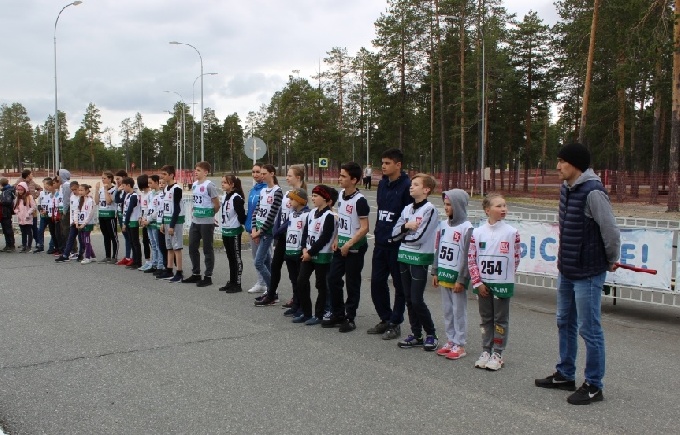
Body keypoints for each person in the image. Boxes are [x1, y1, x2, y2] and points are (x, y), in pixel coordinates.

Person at [535, 143, 620, 405]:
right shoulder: (566, 188)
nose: (558, 166)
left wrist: (610, 259)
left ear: (576, 164)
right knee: (564, 321)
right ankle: (565, 373)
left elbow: (611, 232)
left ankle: (594, 385)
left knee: (589, 329)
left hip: (588, 273)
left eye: (562, 161)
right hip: (567, 269)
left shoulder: (593, 192)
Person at [468, 193, 520, 371]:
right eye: (498, 206)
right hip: (483, 284)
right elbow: (472, 259)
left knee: (500, 320)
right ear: (487, 210)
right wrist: (478, 282)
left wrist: (505, 279)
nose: (503, 209)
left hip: (502, 285)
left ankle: (498, 352)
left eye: (505, 205)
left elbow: (516, 258)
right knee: (486, 319)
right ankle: (486, 350)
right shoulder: (477, 232)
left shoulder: (512, 233)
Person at [389, 174, 439, 351]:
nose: (411, 187)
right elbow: (394, 233)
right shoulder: (407, 209)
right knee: (409, 299)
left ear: (426, 189)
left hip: (418, 258)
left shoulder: (430, 209)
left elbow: (420, 237)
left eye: (416, 184)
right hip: (403, 256)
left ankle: (431, 334)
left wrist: (403, 236)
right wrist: (406, 227)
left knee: (417, 299)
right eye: (411, 184)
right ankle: (416, 335)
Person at [368, 148, 413, 339]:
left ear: (398, 165)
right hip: (380, 242)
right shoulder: (382, 184)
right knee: (377, 283)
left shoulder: (407, 186)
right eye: (382, 163)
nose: (383, 166)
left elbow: (409, 216)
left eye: (387, 163)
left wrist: (400, 236)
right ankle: (385, 318)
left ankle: (396, 322)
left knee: (399, 285)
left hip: (397, 244)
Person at [322, 162, 370, 332]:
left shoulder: (360, 200)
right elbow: (341, 221)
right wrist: (336, 238)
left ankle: (350, 317)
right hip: (341, 246)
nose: (339, 178)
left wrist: (349, 244)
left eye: (343, 176)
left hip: (355, 247)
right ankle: (338, 313)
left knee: (352, 282)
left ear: (354, 179)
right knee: (333, 279)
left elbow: (365, 227)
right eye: (340, 175)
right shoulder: (341, 195)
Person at [256, 164, 307, 306]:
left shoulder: (300, 195)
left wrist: (279, 230)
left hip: (291, 237)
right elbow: (281, 213)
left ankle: (296, 298)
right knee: (275, 265)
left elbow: (293, 217)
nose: (286, 178)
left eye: (290, 175)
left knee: (294, 271)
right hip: (282, 236)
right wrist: (276, 229)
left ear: (298, 177)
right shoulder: (287, 194)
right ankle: (271, 294)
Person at [432, 189, 473, 360]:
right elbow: (438, 249)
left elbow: (467, 256)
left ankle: (460, 343)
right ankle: (450, 340)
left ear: (458, 205)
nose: (446, 208)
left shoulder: (467, 228)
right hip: (444, 274)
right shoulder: (442, 225)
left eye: (449, 205)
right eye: (445, 204)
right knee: (447, 310)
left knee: (458, 311)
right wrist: (435, 271)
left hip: (457, 278)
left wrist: (462, 279)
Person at [293, 185, 336, 325]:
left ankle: (319, 314)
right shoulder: (312, 213)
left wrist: (311, 252)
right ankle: (306, 312)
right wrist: (305, 249)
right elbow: (306, 233)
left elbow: (325, 238)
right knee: (301, 281)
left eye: (316, 196)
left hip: (321, 255)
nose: (313, 198)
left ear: (324, 198)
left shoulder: (329, 216)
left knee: (321, 285)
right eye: (312, 195)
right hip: (308, 254)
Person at [183, 161, 220, 287]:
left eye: (198, 170)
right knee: (192, 247)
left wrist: (210, 215)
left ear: (205, 172)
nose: (196, 172)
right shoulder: (194, 185)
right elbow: (196, 201)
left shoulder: (209, 185)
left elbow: (216, 204)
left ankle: (208, 276)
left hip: (206, 221)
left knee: (207, 248)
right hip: (196, 221)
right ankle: (196, 273)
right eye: (195, 169)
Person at [249, 164, 282, 295]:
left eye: (264, 174)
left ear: (272, 174)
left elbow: (272, 214)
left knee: (258, 262)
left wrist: (259, 231)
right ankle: (271, 289)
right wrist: (253, 229)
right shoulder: (263, 191)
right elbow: (256, 211)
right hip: (258, 229)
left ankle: (272, 289)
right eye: (260, 174)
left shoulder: (277, 191)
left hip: (268, 231)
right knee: (267, 261)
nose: (261, 176)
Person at [279, 188, 310, 317]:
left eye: (292, 199)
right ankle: (296, 304)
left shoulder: (307, 215)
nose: (290, 201)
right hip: (290, 250)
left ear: (300, 201)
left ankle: (303, 307)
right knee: (293, 280)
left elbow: (306, 234)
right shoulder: (292, 214)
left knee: (301, 281)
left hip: (299, 252)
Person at [157, 165, 185, 283]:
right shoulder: (166, 189)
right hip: (167, 220)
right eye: (161, 174)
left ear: (171, 175)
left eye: (164, 174)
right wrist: (163, 222)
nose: (162, 176)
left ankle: (179, 272)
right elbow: (165, 208)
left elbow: (177, 208)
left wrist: (172, 225)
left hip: (175, 221)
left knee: (177, 247)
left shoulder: (176, 189)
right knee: (169, 247)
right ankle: (169, 270)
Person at [218, 174, 246, 293]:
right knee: (230, 257)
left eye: (225, 182)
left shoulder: (236, 198)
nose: (222, 184)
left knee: (236, 257)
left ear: (232, 184)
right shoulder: (225, 196)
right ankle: (232, 281)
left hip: (234, 231)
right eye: (222, 182)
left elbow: (241, 216)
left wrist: (240, 223)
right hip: (226, 230)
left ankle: (238, 283)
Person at [245, 164, 269, 294]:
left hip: (261, 230)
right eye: (253, 172)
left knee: (264, 258)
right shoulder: (253, 189)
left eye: (258, 172)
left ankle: (267, 283)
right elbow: (252, 211)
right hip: (251, 228)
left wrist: (259, 230)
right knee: (256, 258)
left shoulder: (266, 190)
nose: (255, 174)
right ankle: (261, 282)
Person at [55, 180, 81, 263]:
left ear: (78, 187)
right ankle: (65, 255)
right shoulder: (72, 197)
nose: (74, 191)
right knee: (70, 238)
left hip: (81, 222)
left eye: (75, 189)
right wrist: (72, 220)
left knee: (83, 239)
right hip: (73, 221)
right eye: (72, 190)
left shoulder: (83, 197)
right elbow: (73, 210)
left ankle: (87, 254)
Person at [95, 171, 119, 263]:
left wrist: (105, 190)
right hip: (102, 214)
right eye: (102, 178)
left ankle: (114, 256)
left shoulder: (114, 189)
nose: (103, 180)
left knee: (113, 236)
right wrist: (97, 190)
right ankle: (107, 255)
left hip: (110, 215)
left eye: (104, 178)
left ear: (110, 179)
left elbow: (109, 201)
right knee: (106, 236)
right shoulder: (101, 189)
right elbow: (96, 202)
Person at [143, 175, 163, 274]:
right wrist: (144, 218)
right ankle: (154, 264)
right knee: (153, 244)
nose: (149, 185)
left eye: (151, 183)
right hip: (148, 222)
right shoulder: (150, 194)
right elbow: (147, 207)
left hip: (155, 222)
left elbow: (158, 210)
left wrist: (149, 219)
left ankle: (160, 265)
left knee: (158, 244)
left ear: (156, 182)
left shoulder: (161, 194)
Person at [121, 177, 142, 269]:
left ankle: (138, 261)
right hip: (128, 220)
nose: (123, 187)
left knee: (135, 242)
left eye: (124, 185)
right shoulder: (127, 195)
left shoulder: (134, 196)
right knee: (132, 242)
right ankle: (134, 260)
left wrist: (125, 223)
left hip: (133, 221)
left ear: (129, 185)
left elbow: (130, 210)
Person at [57, 169, 77, 259]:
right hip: (66, 210)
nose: (57, 177)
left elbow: (66, 200)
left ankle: (73, 250)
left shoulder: (66, 186)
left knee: (67, 231)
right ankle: (70, 249)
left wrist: (64, 211)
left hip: (68, 211)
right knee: (65, 231)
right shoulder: (63, 186)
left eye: (58, 175)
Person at [114, 170, 131, 265]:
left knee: (130, 237)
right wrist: (117, 191)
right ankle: (127, 256)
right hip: (121, 215)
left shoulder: (130, 189)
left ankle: (131, 257)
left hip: (128, 217)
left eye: (118, 179)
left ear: (124, 177)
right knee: (126, 237)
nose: (117, 181)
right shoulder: (120, 189)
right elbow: (117, 201)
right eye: (116, 179)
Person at [76, 184, 96, 264]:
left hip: (88, 223)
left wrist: (84, 223)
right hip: (80, 222)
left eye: (82, 190)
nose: (80, 192)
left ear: (87, 191)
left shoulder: (90, 200)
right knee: (83, 240)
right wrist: (76, 222)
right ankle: (93, 256)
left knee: (86, 239)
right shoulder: (80, 199)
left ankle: (87, 257)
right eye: (79, 190)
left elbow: (90, 214)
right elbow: (77, 211)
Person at [14, 182, 36, 253]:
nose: (20, 191)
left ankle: (29, 246)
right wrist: (17, 212)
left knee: (29, 232)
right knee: (23, 232)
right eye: (19, 190)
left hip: (28, 217)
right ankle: (24, 245)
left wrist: (28, 213)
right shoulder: (18, 198)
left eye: (21, 190)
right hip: (21, 218)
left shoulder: (29, 197)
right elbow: (15, 207)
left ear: (25, 189)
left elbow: (33, 207)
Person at [137, 174, 152, 271]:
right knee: (145, 241)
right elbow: (141, 208)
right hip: (143, 219)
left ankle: (154, 261)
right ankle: (147, 261)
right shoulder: (142, 195)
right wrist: (140, 218)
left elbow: (149, 208)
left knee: (152, 242)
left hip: (149, 220)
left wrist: (146, 219)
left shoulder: (150, 194)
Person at [35, 177, 53, 253]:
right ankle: (40, 245)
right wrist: (40, 210)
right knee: (40, 230)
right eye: (44, 184)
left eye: (46, 184)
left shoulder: (53, 193)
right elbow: (39, 203)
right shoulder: (41, 193)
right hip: (43, 215)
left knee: (52, 231)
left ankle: (51, 247)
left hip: (51, 215)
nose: (45, 186)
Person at [0, 178, 16, 252]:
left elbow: (8, 201)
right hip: (3, 213)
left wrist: (1, 201)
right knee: (5, 230)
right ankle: (8, 244)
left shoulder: (7, 191)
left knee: (8, 229)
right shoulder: (5, 191)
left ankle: (11, 245)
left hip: (6, 212)